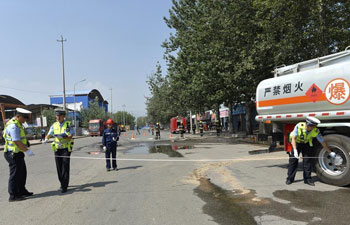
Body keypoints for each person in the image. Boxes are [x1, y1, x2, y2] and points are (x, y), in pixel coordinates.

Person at [286, 117, 335, 186]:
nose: (314, 128)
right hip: (297, 143)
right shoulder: (299, 126)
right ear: (308, 125)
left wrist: (330, 152)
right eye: (313, 126)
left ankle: (307, 179)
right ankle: (290, 179)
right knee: (293, 161)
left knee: (307, 161)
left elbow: (322, 142)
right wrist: (295, 150)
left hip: (306, 143)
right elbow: (293, 138)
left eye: (315, 126)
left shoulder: (316, 131)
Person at [3, 108, 34, 202]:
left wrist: (26, 143)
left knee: (22, 173)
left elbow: (21, 138)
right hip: (13, 153)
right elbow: (16, 141)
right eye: (24, 118)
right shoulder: (13, 126)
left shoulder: (18, 124)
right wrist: (27, 151)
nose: (25, 120)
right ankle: (13, 195)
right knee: (15, 175)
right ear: (18, 116)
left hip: (18, 153)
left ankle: (21, 190)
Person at [43, 109, 74, 193]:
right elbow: (49, 133)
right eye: (57, 115)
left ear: (64, 116)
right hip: (57, 148)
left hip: (65, 148)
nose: (58, 117)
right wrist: (46, 139)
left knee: (65, 166)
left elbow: (71, 135)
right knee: (59, 167)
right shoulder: (54, 125)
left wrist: (64, 137)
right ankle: (62, 182)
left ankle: (64, 185)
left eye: (60, 115)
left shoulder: (68, 124)